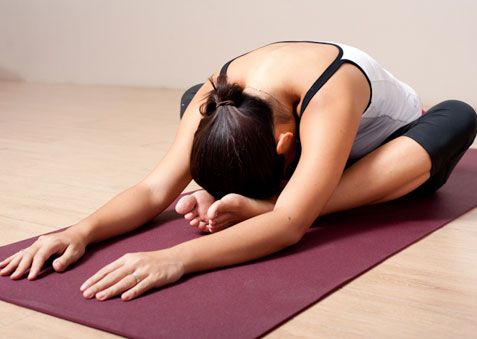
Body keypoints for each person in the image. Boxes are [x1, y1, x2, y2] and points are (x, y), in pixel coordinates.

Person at [1, 40, 476, 302]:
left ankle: (266, 198)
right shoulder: (222, 87)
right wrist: (79, 231)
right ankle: (263, 194)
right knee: (193, 99)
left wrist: (177, 259)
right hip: (291, 157)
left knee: (457, 116)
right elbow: (152, 189)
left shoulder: (332, 89)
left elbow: (290, 227)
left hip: (379, 158)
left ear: (286, 145)